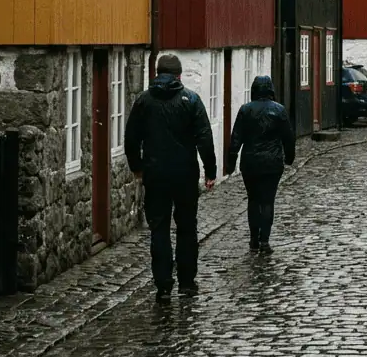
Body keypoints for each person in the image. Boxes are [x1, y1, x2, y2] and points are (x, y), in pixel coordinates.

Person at [124, 53, 216, 304]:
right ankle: (186, 282)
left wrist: (137, 167)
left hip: (155, 174)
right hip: (185, 174)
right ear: (178, 75)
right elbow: (204, 138)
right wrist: (210, 170)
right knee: (187, 227)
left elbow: (131, 138)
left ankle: (163, 284)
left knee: (159, 228)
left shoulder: (144, 101)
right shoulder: (191, 100)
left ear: (156, 73)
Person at [225, 75, 294, 254]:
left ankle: (254, 239)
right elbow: (288, 138)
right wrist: (289, 158)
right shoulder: (279, 110)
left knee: (253, 200)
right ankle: (265, 240)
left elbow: (235, 139)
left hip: (251, 162)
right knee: (268, 200)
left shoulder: (245, 110)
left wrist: (230, 164)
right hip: (272, 163)